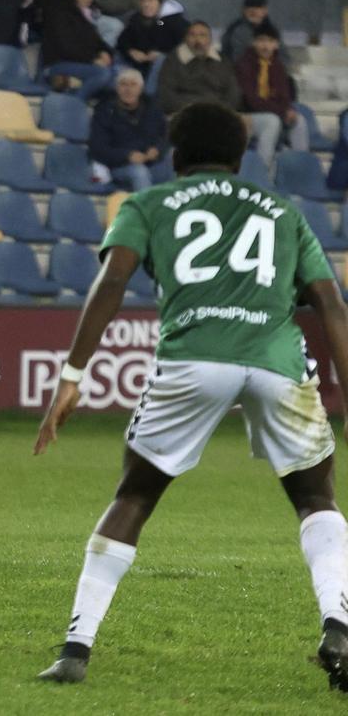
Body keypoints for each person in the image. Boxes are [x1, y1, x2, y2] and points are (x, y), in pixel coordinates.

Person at [34, 100, 348, 692]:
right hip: (277, 361)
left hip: (193, 360)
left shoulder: (148, 203)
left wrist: (72, 374)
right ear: (239, 155)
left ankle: (76, 649)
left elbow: (113, 279)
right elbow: (331, 303)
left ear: (176, 155)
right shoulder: (283, 211)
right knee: (315, 496)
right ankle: (338, 623)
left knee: (136, 494)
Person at [157, 21, 282, 167]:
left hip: (222, 115)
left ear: (210, 39)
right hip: (188, 116)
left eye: (202, 35)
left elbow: (234, 94)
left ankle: (260, 171)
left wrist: (220, 113)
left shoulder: (222, 61)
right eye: (193, 35)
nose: (198, 40)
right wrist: (201, 111)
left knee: (270, 121)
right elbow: (167, 97)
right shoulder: (172, 61)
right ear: (186, 39)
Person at [234, 21, 310, 156]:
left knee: (299, 121)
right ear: (253, 43)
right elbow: (252, 100)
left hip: (274, 112)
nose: (265, 46)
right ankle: (264, 166)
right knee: (271, 121)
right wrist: (282, 111)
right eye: (261, 41)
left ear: (276, 45)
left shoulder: (278, 66)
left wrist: (287, 110)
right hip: (247, 115)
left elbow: (284, 97)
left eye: (270, 41)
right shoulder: (243, 65)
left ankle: (299, 163)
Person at [88, 68, 168, 191]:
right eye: (123, 84)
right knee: (139, 172)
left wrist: (157, 149)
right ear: (117, 88)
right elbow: (98, 148)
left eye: (133, 85)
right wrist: (127, 156)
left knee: (176, 163)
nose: (128, 90)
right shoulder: (104, 111)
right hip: (119, 166)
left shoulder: (152, 107)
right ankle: (146, 204)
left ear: (140, 89)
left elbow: (166, 135)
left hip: (150, 162)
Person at [41, 0, 113, 101]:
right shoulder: (59, 13)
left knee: (119, 72)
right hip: (59, 63)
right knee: (102, 74)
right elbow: (65, 47)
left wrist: (104, 51)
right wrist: (92, 60)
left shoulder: (82, 15)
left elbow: (96, 40)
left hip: (80, 62)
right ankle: (75, 103)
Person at [115, 0, 187, 80]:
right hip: (138, 65)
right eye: (143, 0)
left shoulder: (174, 21)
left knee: (160, 60)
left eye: (150, 0)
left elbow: (185, 46)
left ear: (160, 2)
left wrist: (162, 54)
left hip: (165, 67)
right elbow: (122, 40)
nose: (146, 4)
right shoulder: (136, 19)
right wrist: (131, 51)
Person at [222, 0, 292, 67]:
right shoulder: (234, 31)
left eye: (258, 7)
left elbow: (285, 59)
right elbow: (234, 59)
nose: (253, 11)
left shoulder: (272, 31)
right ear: (243, 10)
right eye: (249, 6)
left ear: (265, 10)